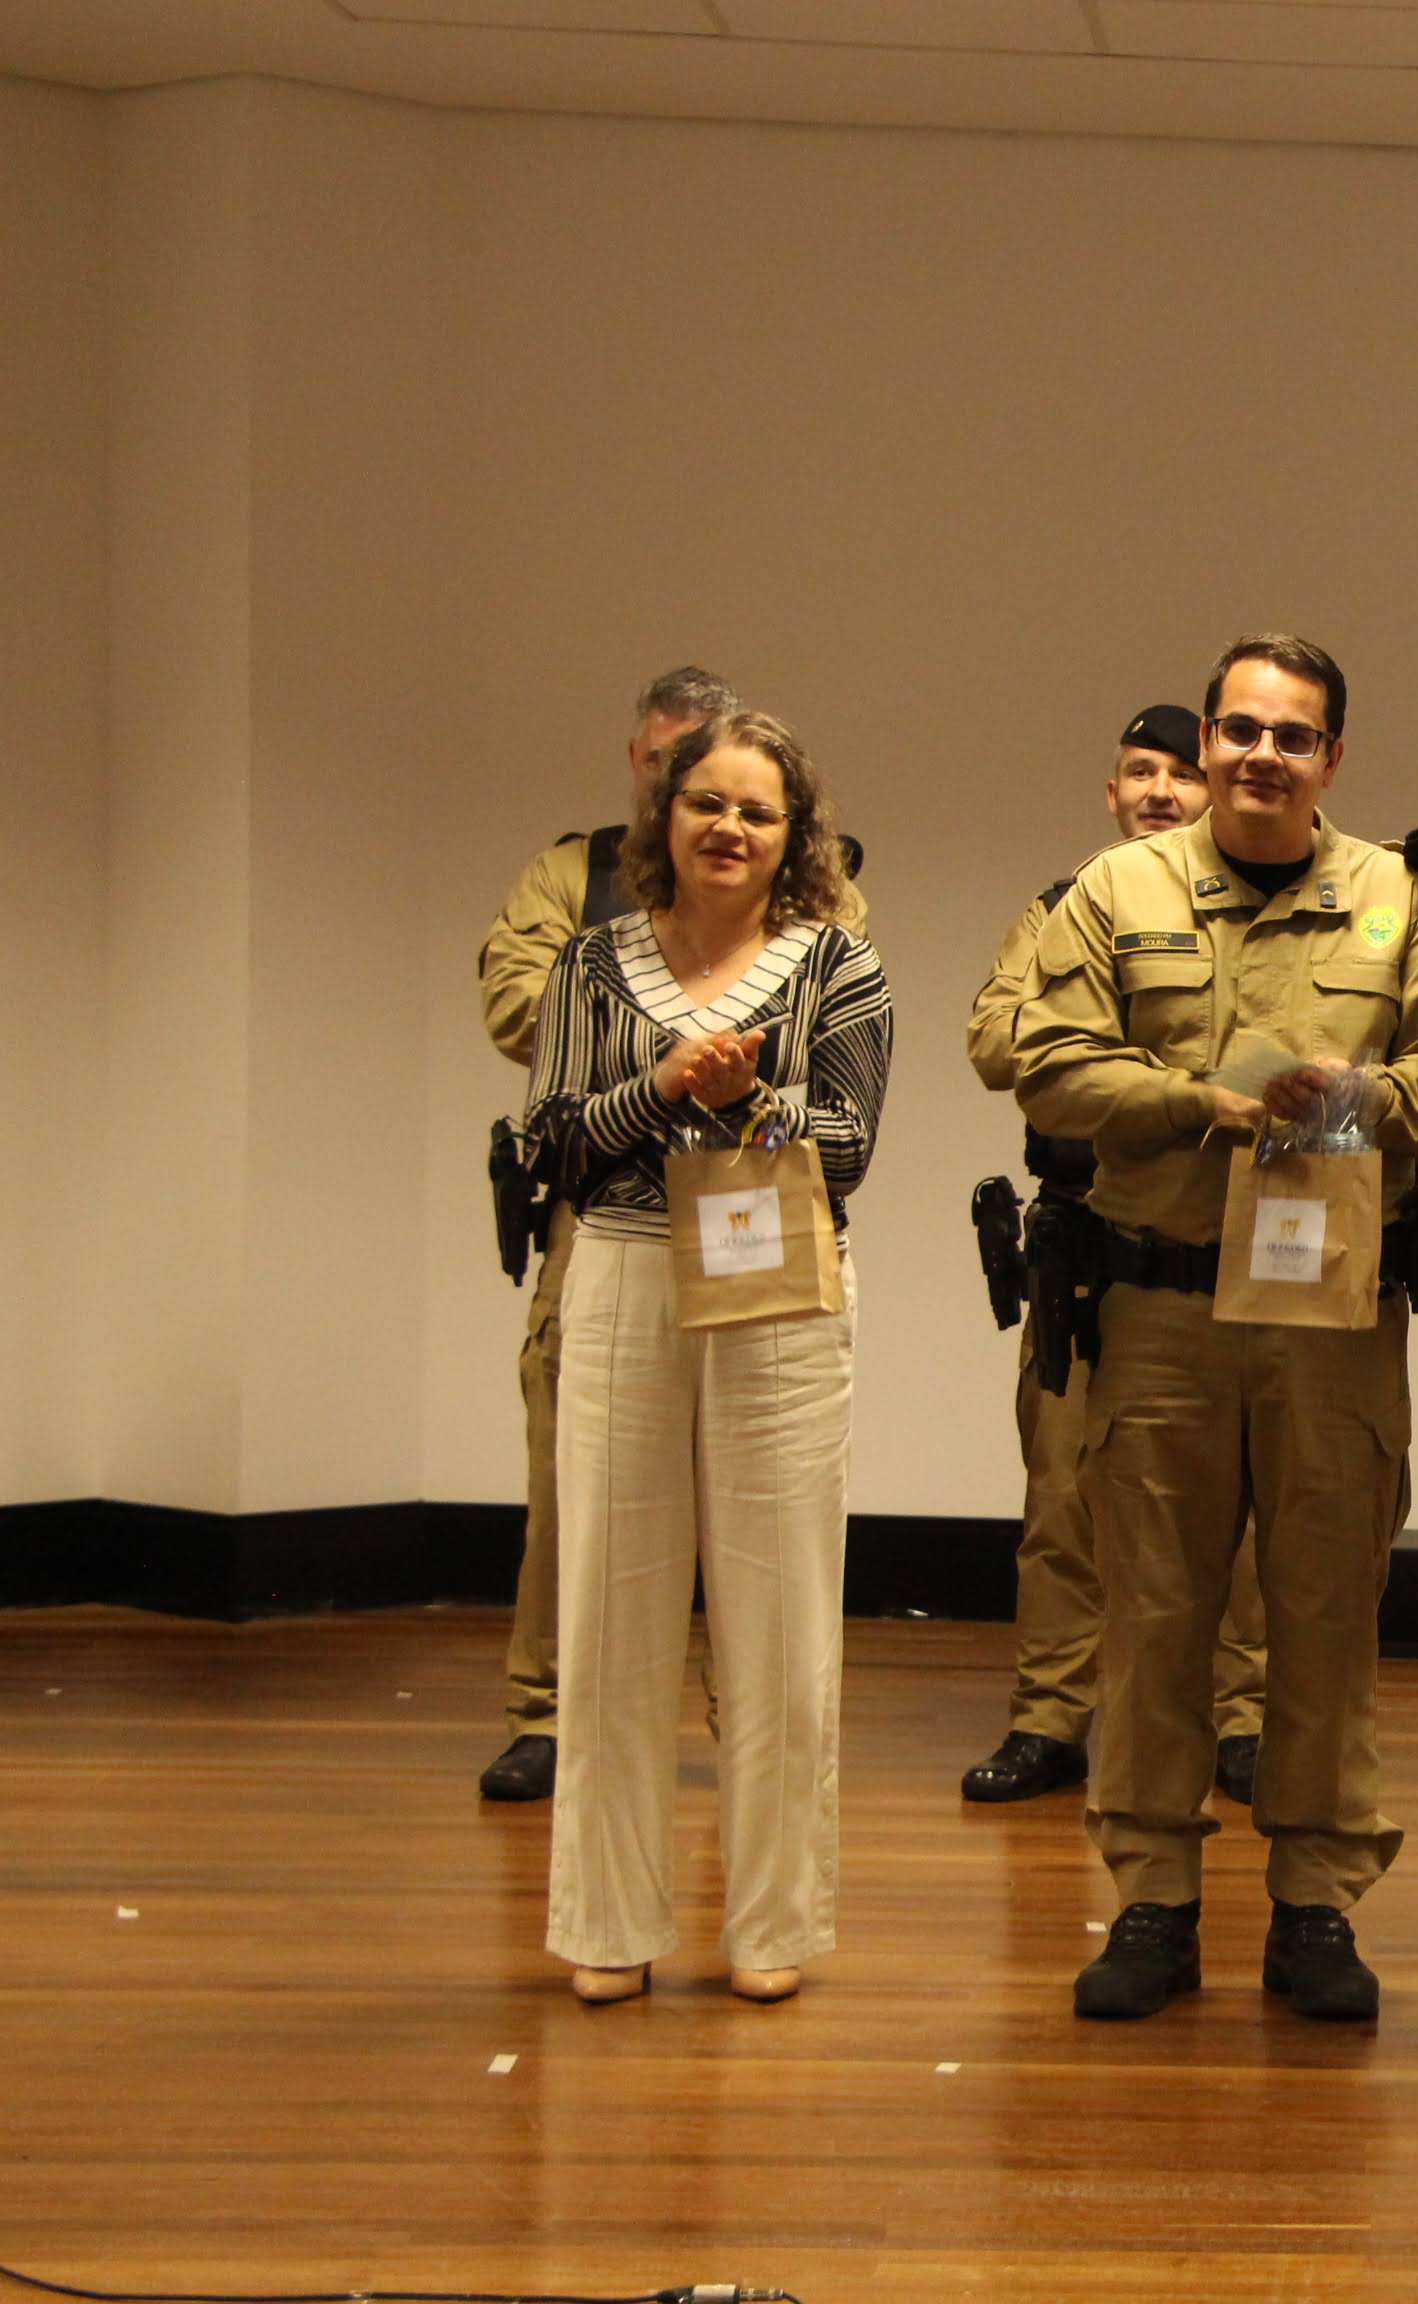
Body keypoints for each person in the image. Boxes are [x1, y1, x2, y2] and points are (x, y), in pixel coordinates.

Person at [1016, 634, 1418, 2026]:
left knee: (1327, 1614)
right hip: (1162, 1309)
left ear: (1333, 756)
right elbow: (1045, 1065)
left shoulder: (1403, 901)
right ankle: (1154, 1902)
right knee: (1155, 1612)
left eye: (1293, 735)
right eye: (1240, 730)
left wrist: (1364, 1096)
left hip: (1331, 1321)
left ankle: (1316, 1905)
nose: (1261, 755)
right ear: (1208, 742)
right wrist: (1196, 1102)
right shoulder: (1117, 890)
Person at [524, 710, 894, 2004]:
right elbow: (552, 1139)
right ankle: (606, 1924)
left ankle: (772, 1929)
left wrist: (751, 1101)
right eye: (708, 804)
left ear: (795, 836)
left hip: (779, 1287)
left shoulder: (840, 965)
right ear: (664, 816)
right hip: (624, 1271)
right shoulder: (591, 963)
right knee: (610, 1610)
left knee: (780, 1617)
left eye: (757, 812)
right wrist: (666, 1087)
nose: (729, 829)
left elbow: (848, 1150)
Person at [961, 704, 1271, 1807]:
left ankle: (1244, 1718)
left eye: (1179, 774)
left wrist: (1107, 1055)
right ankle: (1050, 1717)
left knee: (1238, 1504)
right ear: (1112, 793)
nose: (1158, 791)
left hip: (1217, 1231)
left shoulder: (1258, 917)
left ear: (1212, 788)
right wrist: (1118, 1036)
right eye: (1139, 772)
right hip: (1085, 1240)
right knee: (1063, 1495)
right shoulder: (1063, 911)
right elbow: (996, 1044)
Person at [474, 666, 735, 1802]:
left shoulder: (797, 870)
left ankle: (744, 1715)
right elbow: (518, 1011)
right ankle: (549, 1712)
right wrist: (682, 1052)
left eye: (704, 764)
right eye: (664, 762)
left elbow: (819, 1018)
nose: (683, 786)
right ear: (636, 763)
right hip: (600, 1205)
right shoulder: (571, 877)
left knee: (748, 1471)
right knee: (573, 1472)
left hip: (742, 1203)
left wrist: (624, 1031)